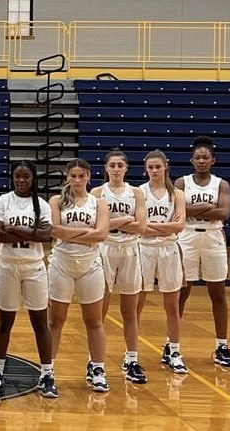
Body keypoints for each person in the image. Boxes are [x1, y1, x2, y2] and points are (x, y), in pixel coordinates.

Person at [47, 158, 110, 396]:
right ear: (67, 177)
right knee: (55, 321)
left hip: (90, 265)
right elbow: (54, 230)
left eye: (81, 176)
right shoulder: (56, 201)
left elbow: (102, 233)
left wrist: (71, 234)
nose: (76, 180)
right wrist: (87, 233)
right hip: (62, 263)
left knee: (94, 321)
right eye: (72, 176)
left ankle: (98, 369)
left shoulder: (99, 203)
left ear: (88, 177)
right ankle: (48, 371)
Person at [0, 160, 53, 397]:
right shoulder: (3, 201)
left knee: (40, 323)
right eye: (17, 176)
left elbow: (47, 236)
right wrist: (31, 233)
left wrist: (15, 231)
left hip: (34, 267)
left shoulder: (42, 204)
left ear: (33, 178)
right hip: (7, 266)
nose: (21, 180)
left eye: (26, 176)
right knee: (5, 322)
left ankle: (47, 373)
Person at [175, 136, 230, 367]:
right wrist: (207, 207)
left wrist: (195, 210)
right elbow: (178, 211)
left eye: (205, 158)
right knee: (182, 291)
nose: (201, 161)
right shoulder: (181, 183)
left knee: (218, 293)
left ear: (213, 161)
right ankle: (173, 346)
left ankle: (222, 345)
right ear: (192, 160)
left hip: (213, 237)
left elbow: (223, 213)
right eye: (198, 157)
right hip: (187, 236)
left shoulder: (221, 184)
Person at [91, 149, 148, 383]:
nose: (116, 169)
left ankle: (132, 358)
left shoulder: (136, 193)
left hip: (130, 250)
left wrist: (113, 223)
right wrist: (125, 220)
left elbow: (142, 227)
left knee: (130, 310)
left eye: (120, 165)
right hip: (105, 249)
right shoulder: (96, 193)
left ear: (126, 169)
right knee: (99, 311)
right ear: (106, 168)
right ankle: (96, 362)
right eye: (112, 165)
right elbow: (98, 227)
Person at [137, 149, 188, 374]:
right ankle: (132, 354)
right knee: (137, 304)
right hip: (143, 249)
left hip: (169, 249)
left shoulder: (177, 194)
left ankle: (174, 351)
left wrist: (152, 227)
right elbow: (139, 227)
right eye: (151, 167)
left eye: (158, 166)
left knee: (172, 305)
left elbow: (179, 226)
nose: (155, 171)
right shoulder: (139, 192)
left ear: (166, 166)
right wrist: (163, 227)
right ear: (146, 169)